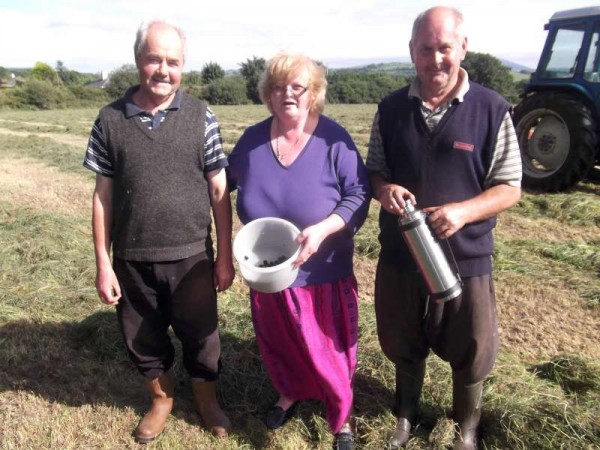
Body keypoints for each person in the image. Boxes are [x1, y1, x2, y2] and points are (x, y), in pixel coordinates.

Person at [366, 6, 522, 450]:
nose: (436, 59)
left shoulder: (491, 109)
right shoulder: (391, 108)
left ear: (463, 48)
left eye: (445, 48)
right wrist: (384, 190)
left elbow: (510, 187)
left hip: (465, 256)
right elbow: (375, 170)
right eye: (426, 49)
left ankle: (465, 427)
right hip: (401, 255)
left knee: (472, 347)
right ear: (412, 52)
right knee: (400, 339)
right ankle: (405, 415)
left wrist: (464, 212)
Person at [83, 20, 234, 443]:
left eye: (173, 62)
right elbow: (102, 197)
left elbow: (219, 188)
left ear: (183, 66)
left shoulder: (201, 115)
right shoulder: (109, 119)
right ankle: (162, 400)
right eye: (154, 59)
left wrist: (224, 255)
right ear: (138, 62)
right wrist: (103, 263)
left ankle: (206, 400)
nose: (163, 70)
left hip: (192, 257)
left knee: (202, 335)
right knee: (142, 335)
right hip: (131, 257)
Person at [227, 51, 370, 450]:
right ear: (267, 95)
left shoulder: (333, 139)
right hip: (267, 268)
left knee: (329, 349)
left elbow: (359, 192)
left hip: (321, 270)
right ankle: (288, 393)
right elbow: (222, 181)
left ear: (314, 93)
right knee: (279, 340)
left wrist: (324, 229)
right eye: (277, 87)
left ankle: (340, 419)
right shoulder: (253, 140)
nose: (287, 94)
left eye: (297, 87)